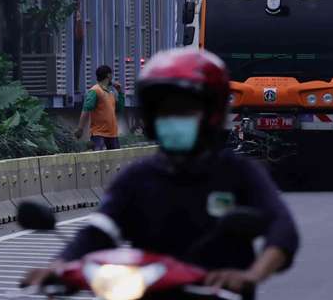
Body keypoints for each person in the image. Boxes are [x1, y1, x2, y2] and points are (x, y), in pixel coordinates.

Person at [23, 48, 299, 298]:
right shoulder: (137, 177)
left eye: (183, 110)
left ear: (211, 113)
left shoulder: (238, 172)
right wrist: (61, 265)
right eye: (164, 111)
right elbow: (99, 230)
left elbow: (282, 228)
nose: (172, 118)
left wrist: (252, 275)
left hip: (219, 292)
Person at [75, 65, 123, 150]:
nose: (113, 77)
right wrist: (80, 129)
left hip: (113, 134)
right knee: (98, 159)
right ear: (108, 75)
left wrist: (120, 93)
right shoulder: (95, 91)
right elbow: (86, 110)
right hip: (99, 134)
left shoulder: (110, 93)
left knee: (116, 161)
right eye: (112, 75)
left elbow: (119, 109)